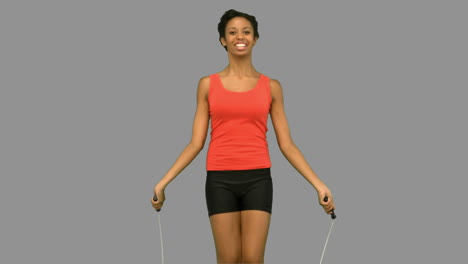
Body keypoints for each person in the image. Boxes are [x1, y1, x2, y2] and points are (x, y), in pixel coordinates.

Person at [151, 9, 336, 264]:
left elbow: (287, 144)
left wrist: (319, 184)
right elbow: (196, 142)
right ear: (223, 40)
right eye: (233, 32)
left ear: (256, 39)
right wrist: (163, 183)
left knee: (251, 258)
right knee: (228, 259)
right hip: (220, 180)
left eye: (247, 31)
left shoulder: (272, 87)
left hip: (258, 179)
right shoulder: (207, 84)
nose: (240, 36)